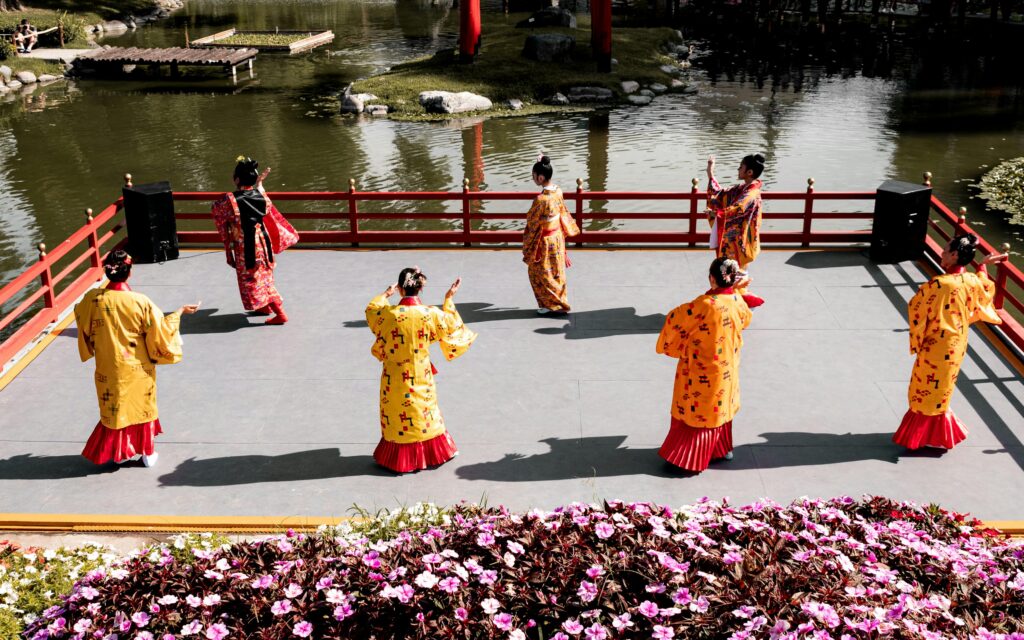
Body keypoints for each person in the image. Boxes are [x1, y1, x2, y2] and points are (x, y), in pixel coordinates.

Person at [74, 250, 199, 467]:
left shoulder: (91, 299)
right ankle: (147, 453)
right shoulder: (140, 302)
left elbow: (81, 317)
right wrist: (178, 313)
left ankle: (112, 451)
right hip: (137, 367)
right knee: (142, 407)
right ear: (129, 273)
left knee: (114, 406)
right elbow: (160, 333)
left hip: (108, 365)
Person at [893, 235, 1007, 451]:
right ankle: (935, 433)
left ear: (955, 255)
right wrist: (983, 265)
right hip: (957, 344)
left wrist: (920, 335)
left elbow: (916, 307)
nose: (942, 253)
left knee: (925, 386)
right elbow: (984, 288)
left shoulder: (939, 284)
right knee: (942, 388)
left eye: (946, 250)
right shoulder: (971, 280)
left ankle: (921, 435)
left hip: (937, 345)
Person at [366, 267, 477, 473]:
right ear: (420, 288)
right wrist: (449, 298)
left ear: (400, 289)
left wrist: (385, 294)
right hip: (420, 371)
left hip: (394, 375)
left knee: (396, 411)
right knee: (425, 411)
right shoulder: (429, 314)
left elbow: (371, 310)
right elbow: (451, 324)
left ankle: (398, 458)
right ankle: (433, 452)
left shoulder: (387, 315)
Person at [656, 257, 754, 472]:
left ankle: (689, 460)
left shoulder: (703, 305)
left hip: (701, 365)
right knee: (719, 407)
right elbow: (746, 320)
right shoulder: (737, 300)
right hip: (727, 365)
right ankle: (720, 449)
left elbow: (675, 320)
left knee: (698, 410)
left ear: (712, 279)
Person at [211, 156, 288, 324]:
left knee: (254, 280)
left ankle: (280, 314)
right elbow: (267, 206)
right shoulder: (260, 196)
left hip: (246, 246)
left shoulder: (230, 200)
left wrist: (229, 248)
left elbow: (216, 210)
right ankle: (264, 307)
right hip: (262, 241)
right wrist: (259, 184)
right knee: (264, 276)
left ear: (237, 179)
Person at [522, 155, 581, 314]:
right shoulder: (558, 191)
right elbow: (562, 212)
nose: (532, 178)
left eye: (534, 175)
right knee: (556, 271)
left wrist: (530, 233)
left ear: (540, 177)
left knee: (539, 272)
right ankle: (560, 300)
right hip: (557, 237)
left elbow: (532, 220)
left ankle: (550, 305)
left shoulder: (541, 199)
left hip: (545, 241)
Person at [705, 153, 765, 273]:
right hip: (734, 239)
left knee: (736, 272)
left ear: (749, 172)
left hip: (741, 241)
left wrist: (717, 213)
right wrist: (710, 173)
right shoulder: (742, 189)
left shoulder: (752, 193)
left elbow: (738, 208)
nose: (738, 169)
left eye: (741, 167)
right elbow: (721, 194)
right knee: (730, 271)